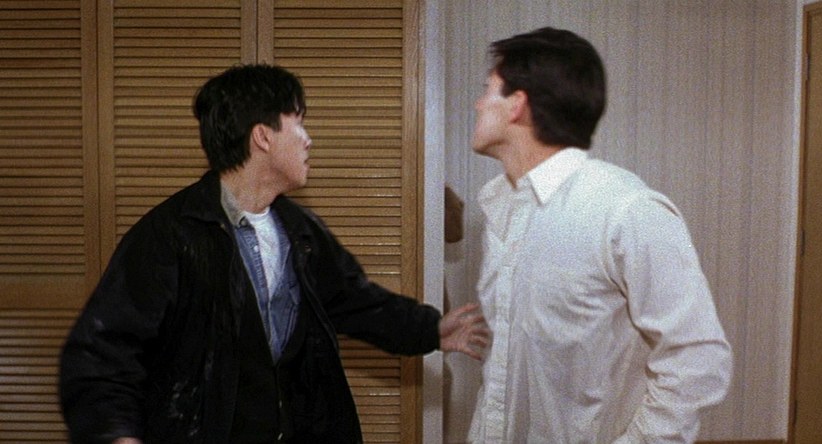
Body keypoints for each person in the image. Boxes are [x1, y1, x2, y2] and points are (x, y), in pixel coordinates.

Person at [59, 64, 489, 444]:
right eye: (298, 123)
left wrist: (431, 330)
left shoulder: (299, 230)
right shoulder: (169, 235)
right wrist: (114, 434)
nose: (308, 140)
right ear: (262, 136)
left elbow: (354, 300)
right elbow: (101, 351)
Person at [466, 27, 732, 443]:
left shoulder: (626, 210)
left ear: (518, 105)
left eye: (488, 90)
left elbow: (696, 359)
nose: (478, 104)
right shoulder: (501, 204)